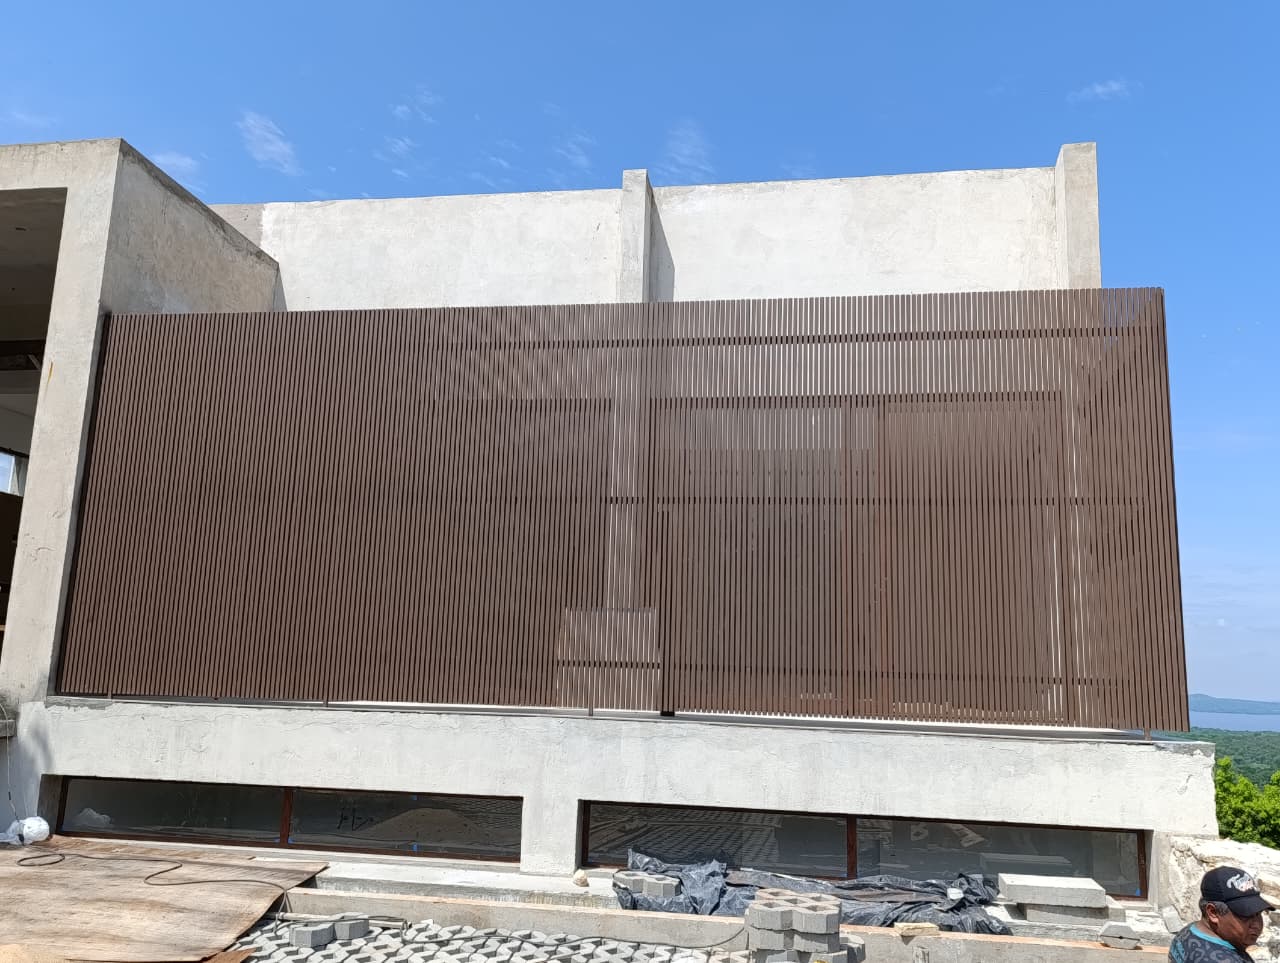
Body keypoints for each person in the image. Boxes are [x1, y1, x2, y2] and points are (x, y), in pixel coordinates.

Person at [1170, 866, 1274, 962]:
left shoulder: (1189, 931)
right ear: (1213, 912)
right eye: (1246, 915)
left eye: (1258, 913)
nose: (1257, 925)